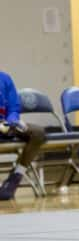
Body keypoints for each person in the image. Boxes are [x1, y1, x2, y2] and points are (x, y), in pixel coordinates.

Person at [0, 70, 46, 200]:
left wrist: (11, 122)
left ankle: (16, 177)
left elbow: (14, 107)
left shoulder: (4, 78)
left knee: (38, 132)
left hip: (6, 124)